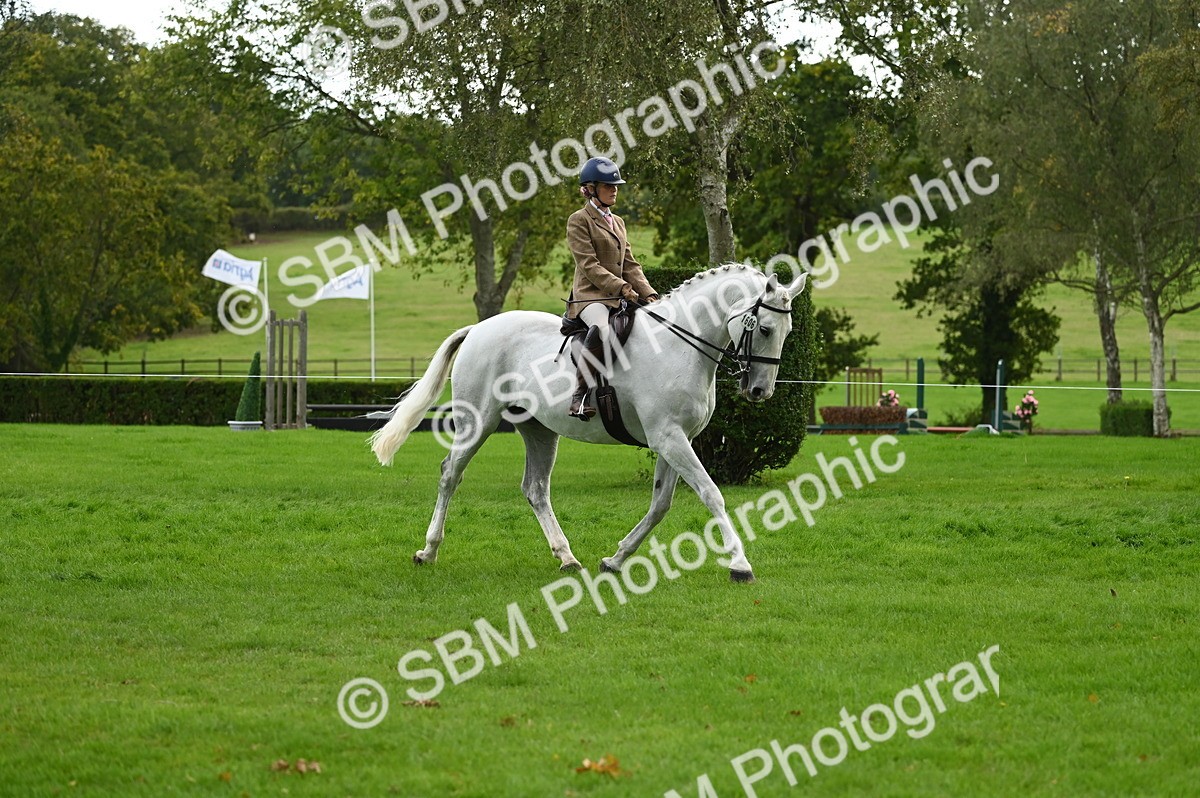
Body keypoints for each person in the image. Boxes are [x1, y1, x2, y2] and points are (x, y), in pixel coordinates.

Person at [565, 156, 660, 420]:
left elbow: (629, 262)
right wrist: (621, 287)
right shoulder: (578, 220)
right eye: (608, 185)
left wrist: (648, 293)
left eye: (616, 185)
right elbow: (589, 265)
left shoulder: (617, 221)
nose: (614, 189)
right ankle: (579, 397)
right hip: (590, 297)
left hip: (618, 295)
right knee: (603, 330)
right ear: (590, 188)